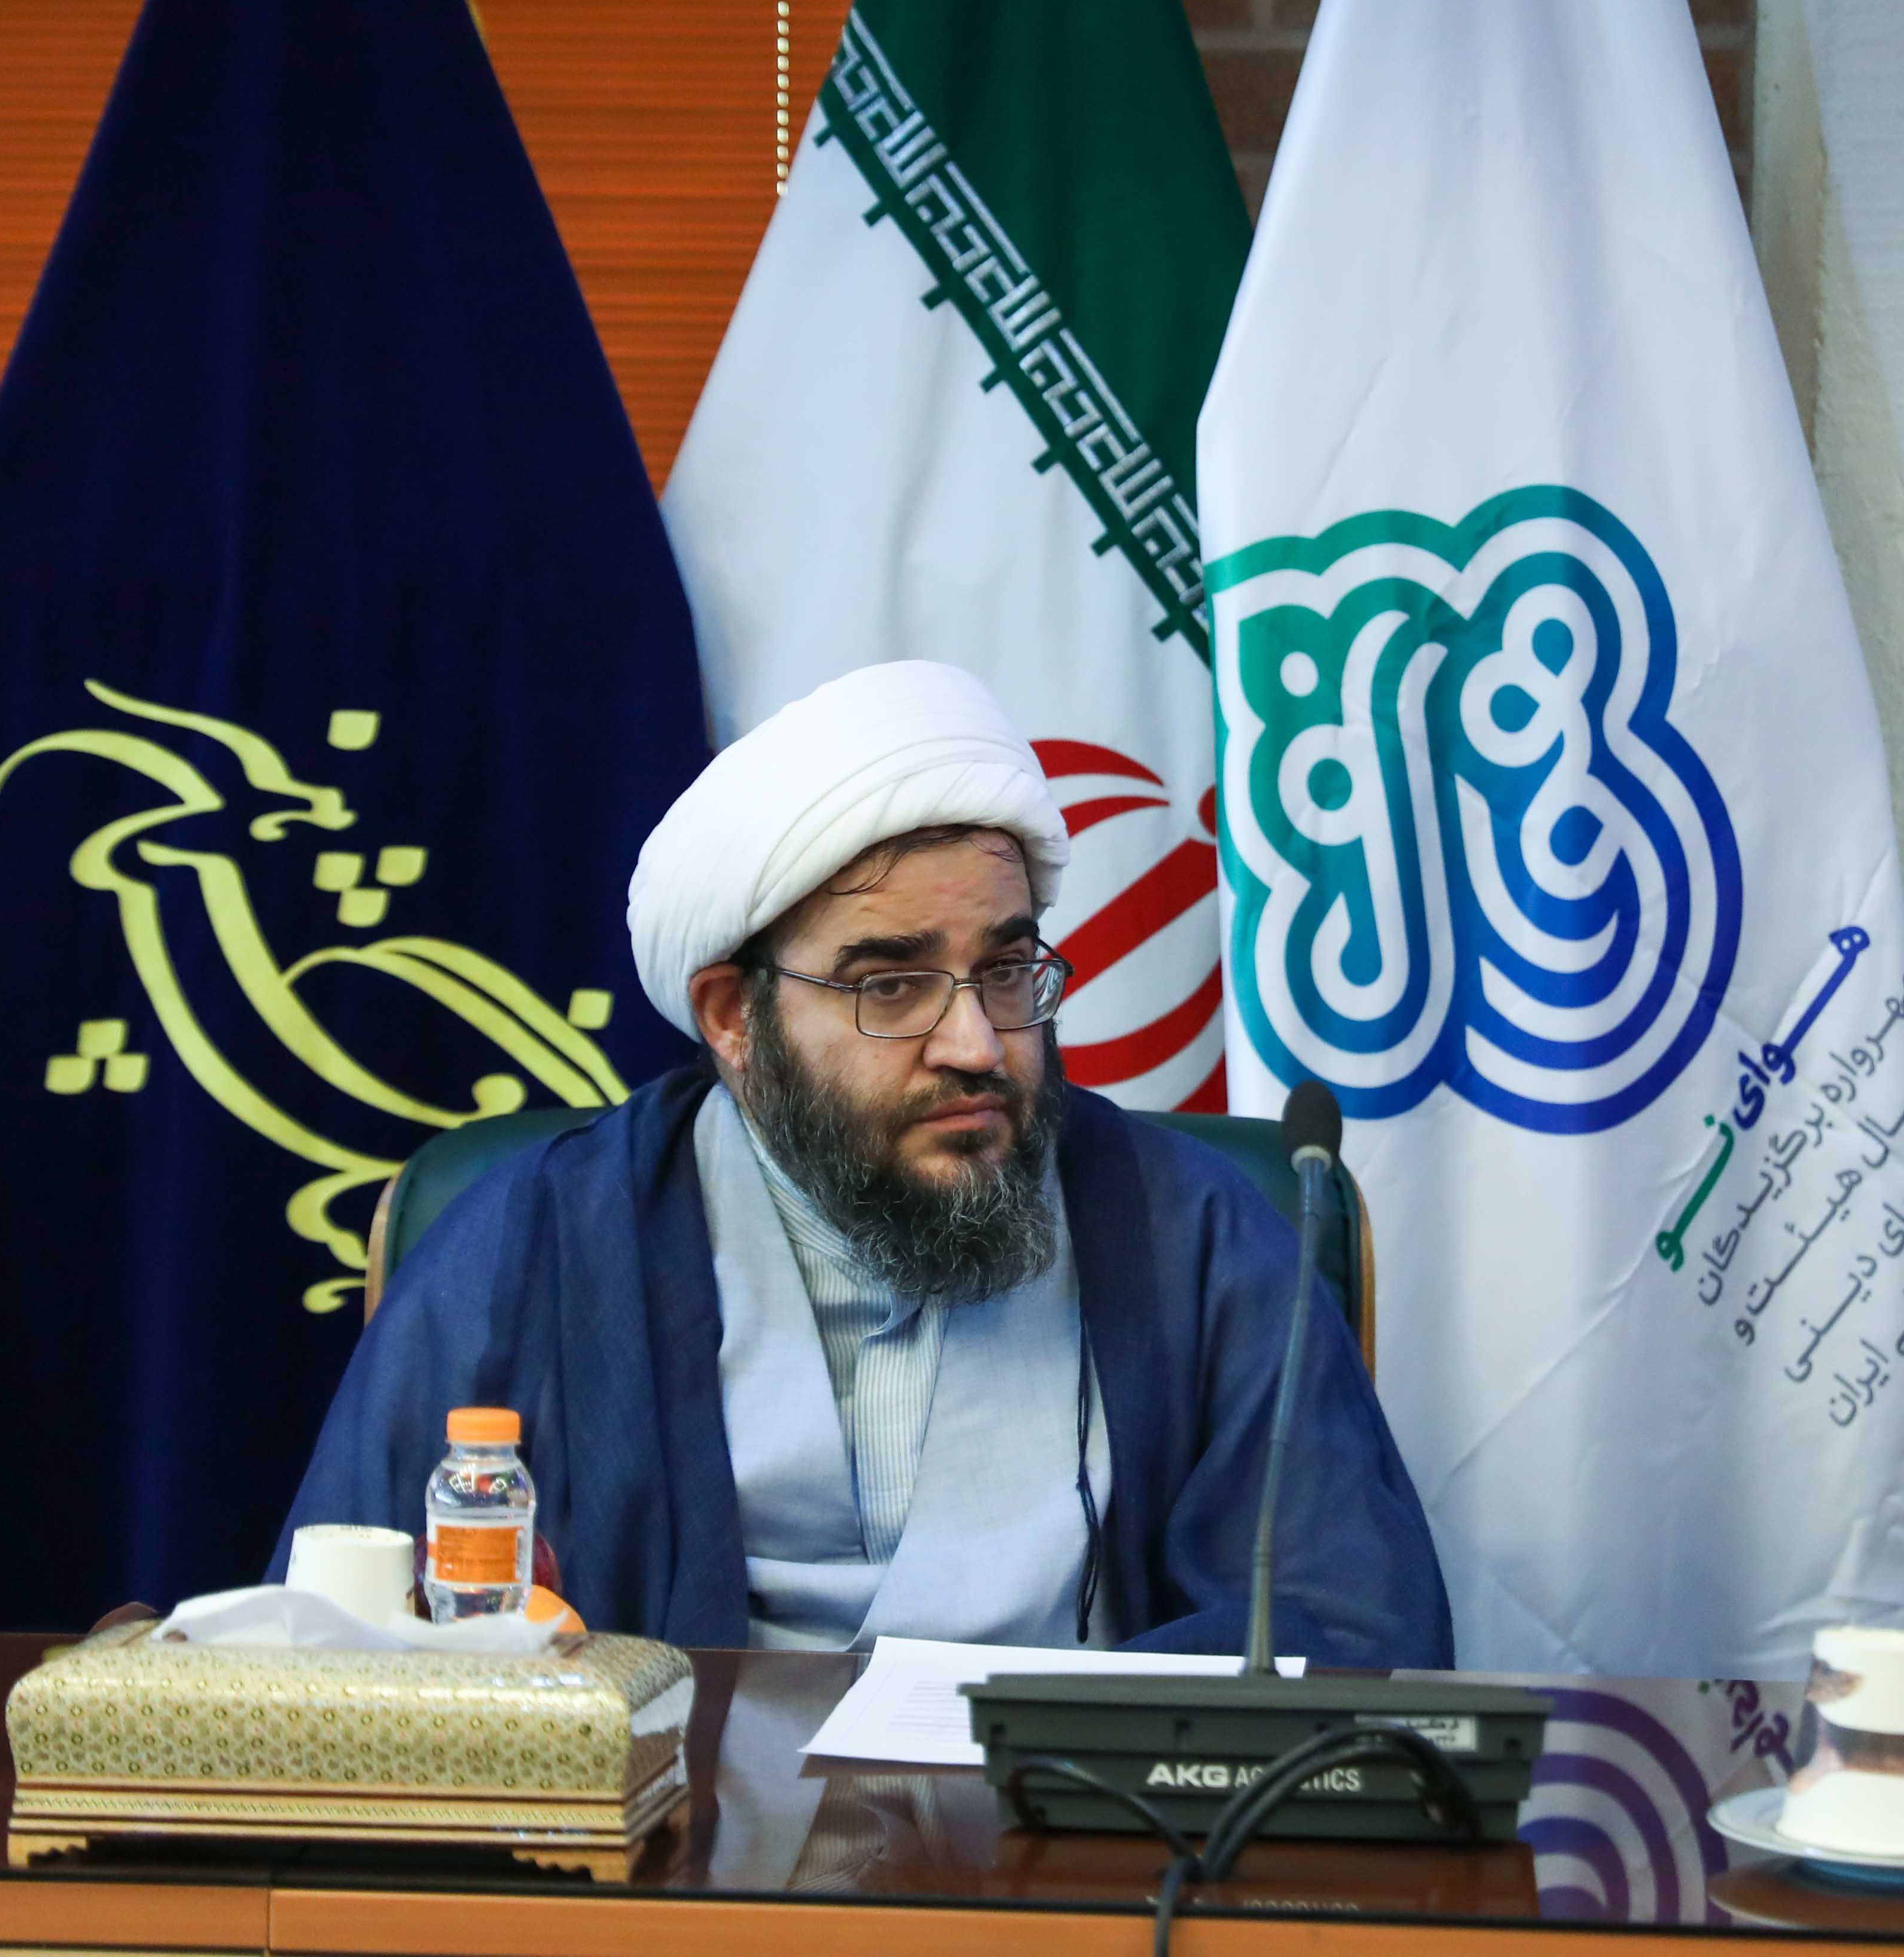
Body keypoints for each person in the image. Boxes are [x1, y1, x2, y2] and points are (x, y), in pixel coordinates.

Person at [277, 659, 1452, 1662]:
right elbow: (333, 1650)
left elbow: (1352, 1630)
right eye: (890, 984)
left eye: (1007, 970)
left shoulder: (1193, 1234)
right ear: (733, 1017)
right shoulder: (537, 1242)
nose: (975, 1044)